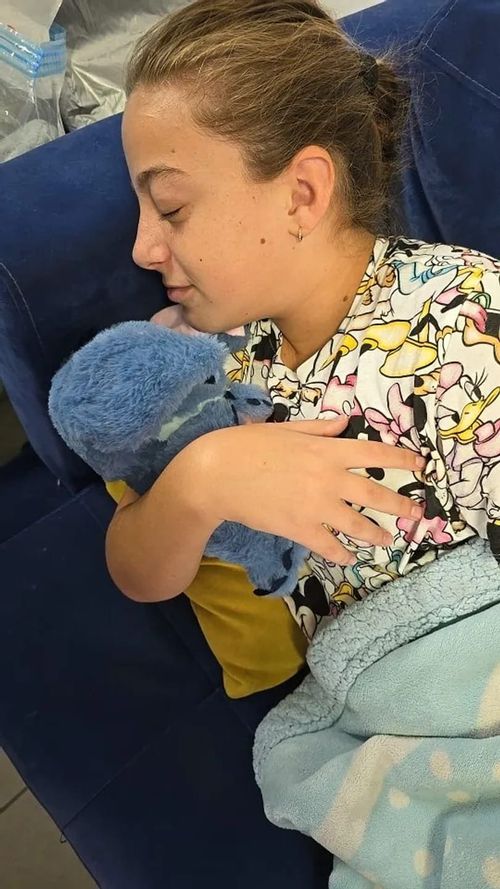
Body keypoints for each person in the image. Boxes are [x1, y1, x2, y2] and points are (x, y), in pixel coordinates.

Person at [106, 0, 500, 640]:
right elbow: (137, 573)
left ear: (302, 193)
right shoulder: (210, 355)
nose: (141, 248)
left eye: (170, 207)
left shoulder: (466, 326)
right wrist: (200, 480)